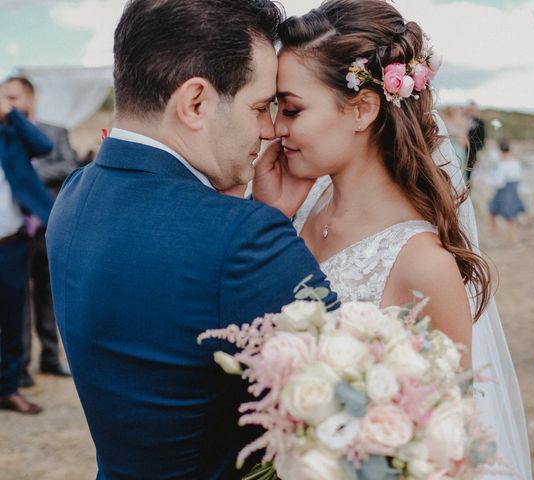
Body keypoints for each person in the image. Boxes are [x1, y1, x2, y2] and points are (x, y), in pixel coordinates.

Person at [45, 1, 336, 479]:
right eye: (260, 107)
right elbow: (350, 392)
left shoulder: (74, 194)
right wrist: (255, 222)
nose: (268, 131)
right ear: (195, 102)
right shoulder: (242, 237)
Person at [252, 0, 532, 477]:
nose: (276, 127)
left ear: (361, 108)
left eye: (292, 108)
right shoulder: (300, 209)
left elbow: (444, 449)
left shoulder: (423, 265)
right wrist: (267, 218)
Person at [1, 76, 75, 389]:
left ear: (30, 100)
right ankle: (21, 368)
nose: (7, 103)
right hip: (15, 228)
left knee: (46, 293)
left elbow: (66, 165)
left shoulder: (54, 132)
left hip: (44, 225)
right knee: (17, 302)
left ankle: (51, 355)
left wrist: (26, 173)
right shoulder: (6, 134)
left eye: (14, 97)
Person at [0, 81, 53, 414]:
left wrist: (11, 114)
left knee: (12, 319)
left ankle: (8, 388)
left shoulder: (11, 134)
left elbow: (44, 145)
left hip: (11, 244)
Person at [488, 140, 525, 244]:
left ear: (500, 151)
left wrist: (489, 180)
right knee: (510, 216)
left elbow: (499, 183)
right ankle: (514, 239)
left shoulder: (503, 165)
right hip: (513, 191)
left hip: (504, 192)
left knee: (496, 213)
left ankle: (495, 236)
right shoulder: (516, 162)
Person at [465, 100, 485, 182]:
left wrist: (478, 153)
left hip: (472, 152)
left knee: (469, 172)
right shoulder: (462, 119)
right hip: (460, 149)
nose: (471, 112)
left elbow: (482, 139)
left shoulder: (480, 122)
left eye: (473, 110)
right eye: (470, 110)